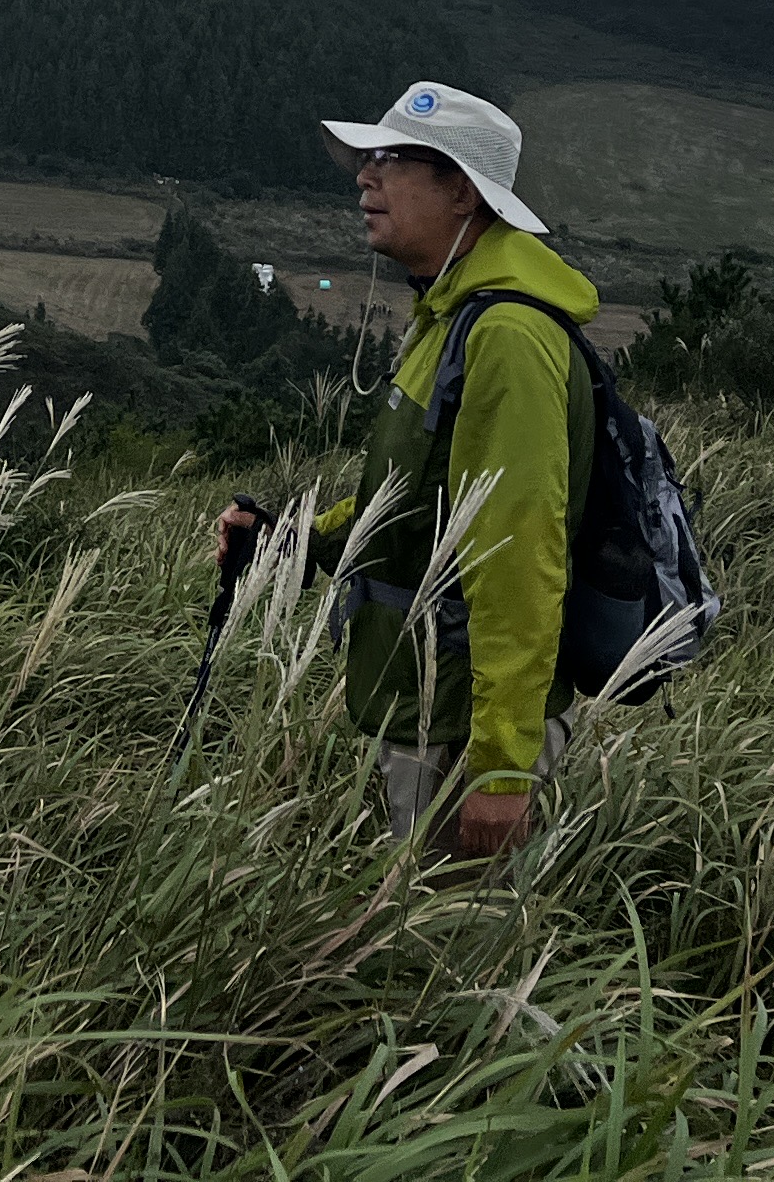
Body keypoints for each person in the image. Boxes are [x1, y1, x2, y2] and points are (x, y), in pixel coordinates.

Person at [217, 81, 599, 859]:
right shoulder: (451, 319)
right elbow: (410, 503)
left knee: (457, 962)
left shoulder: (506, 337)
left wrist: (500, 768)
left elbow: (519, 553)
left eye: (390, 159)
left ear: (461, 190)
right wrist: (290, 540)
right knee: (421, 951)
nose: (364, 176)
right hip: (427, 704)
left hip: (461, 720)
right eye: (367, 159)